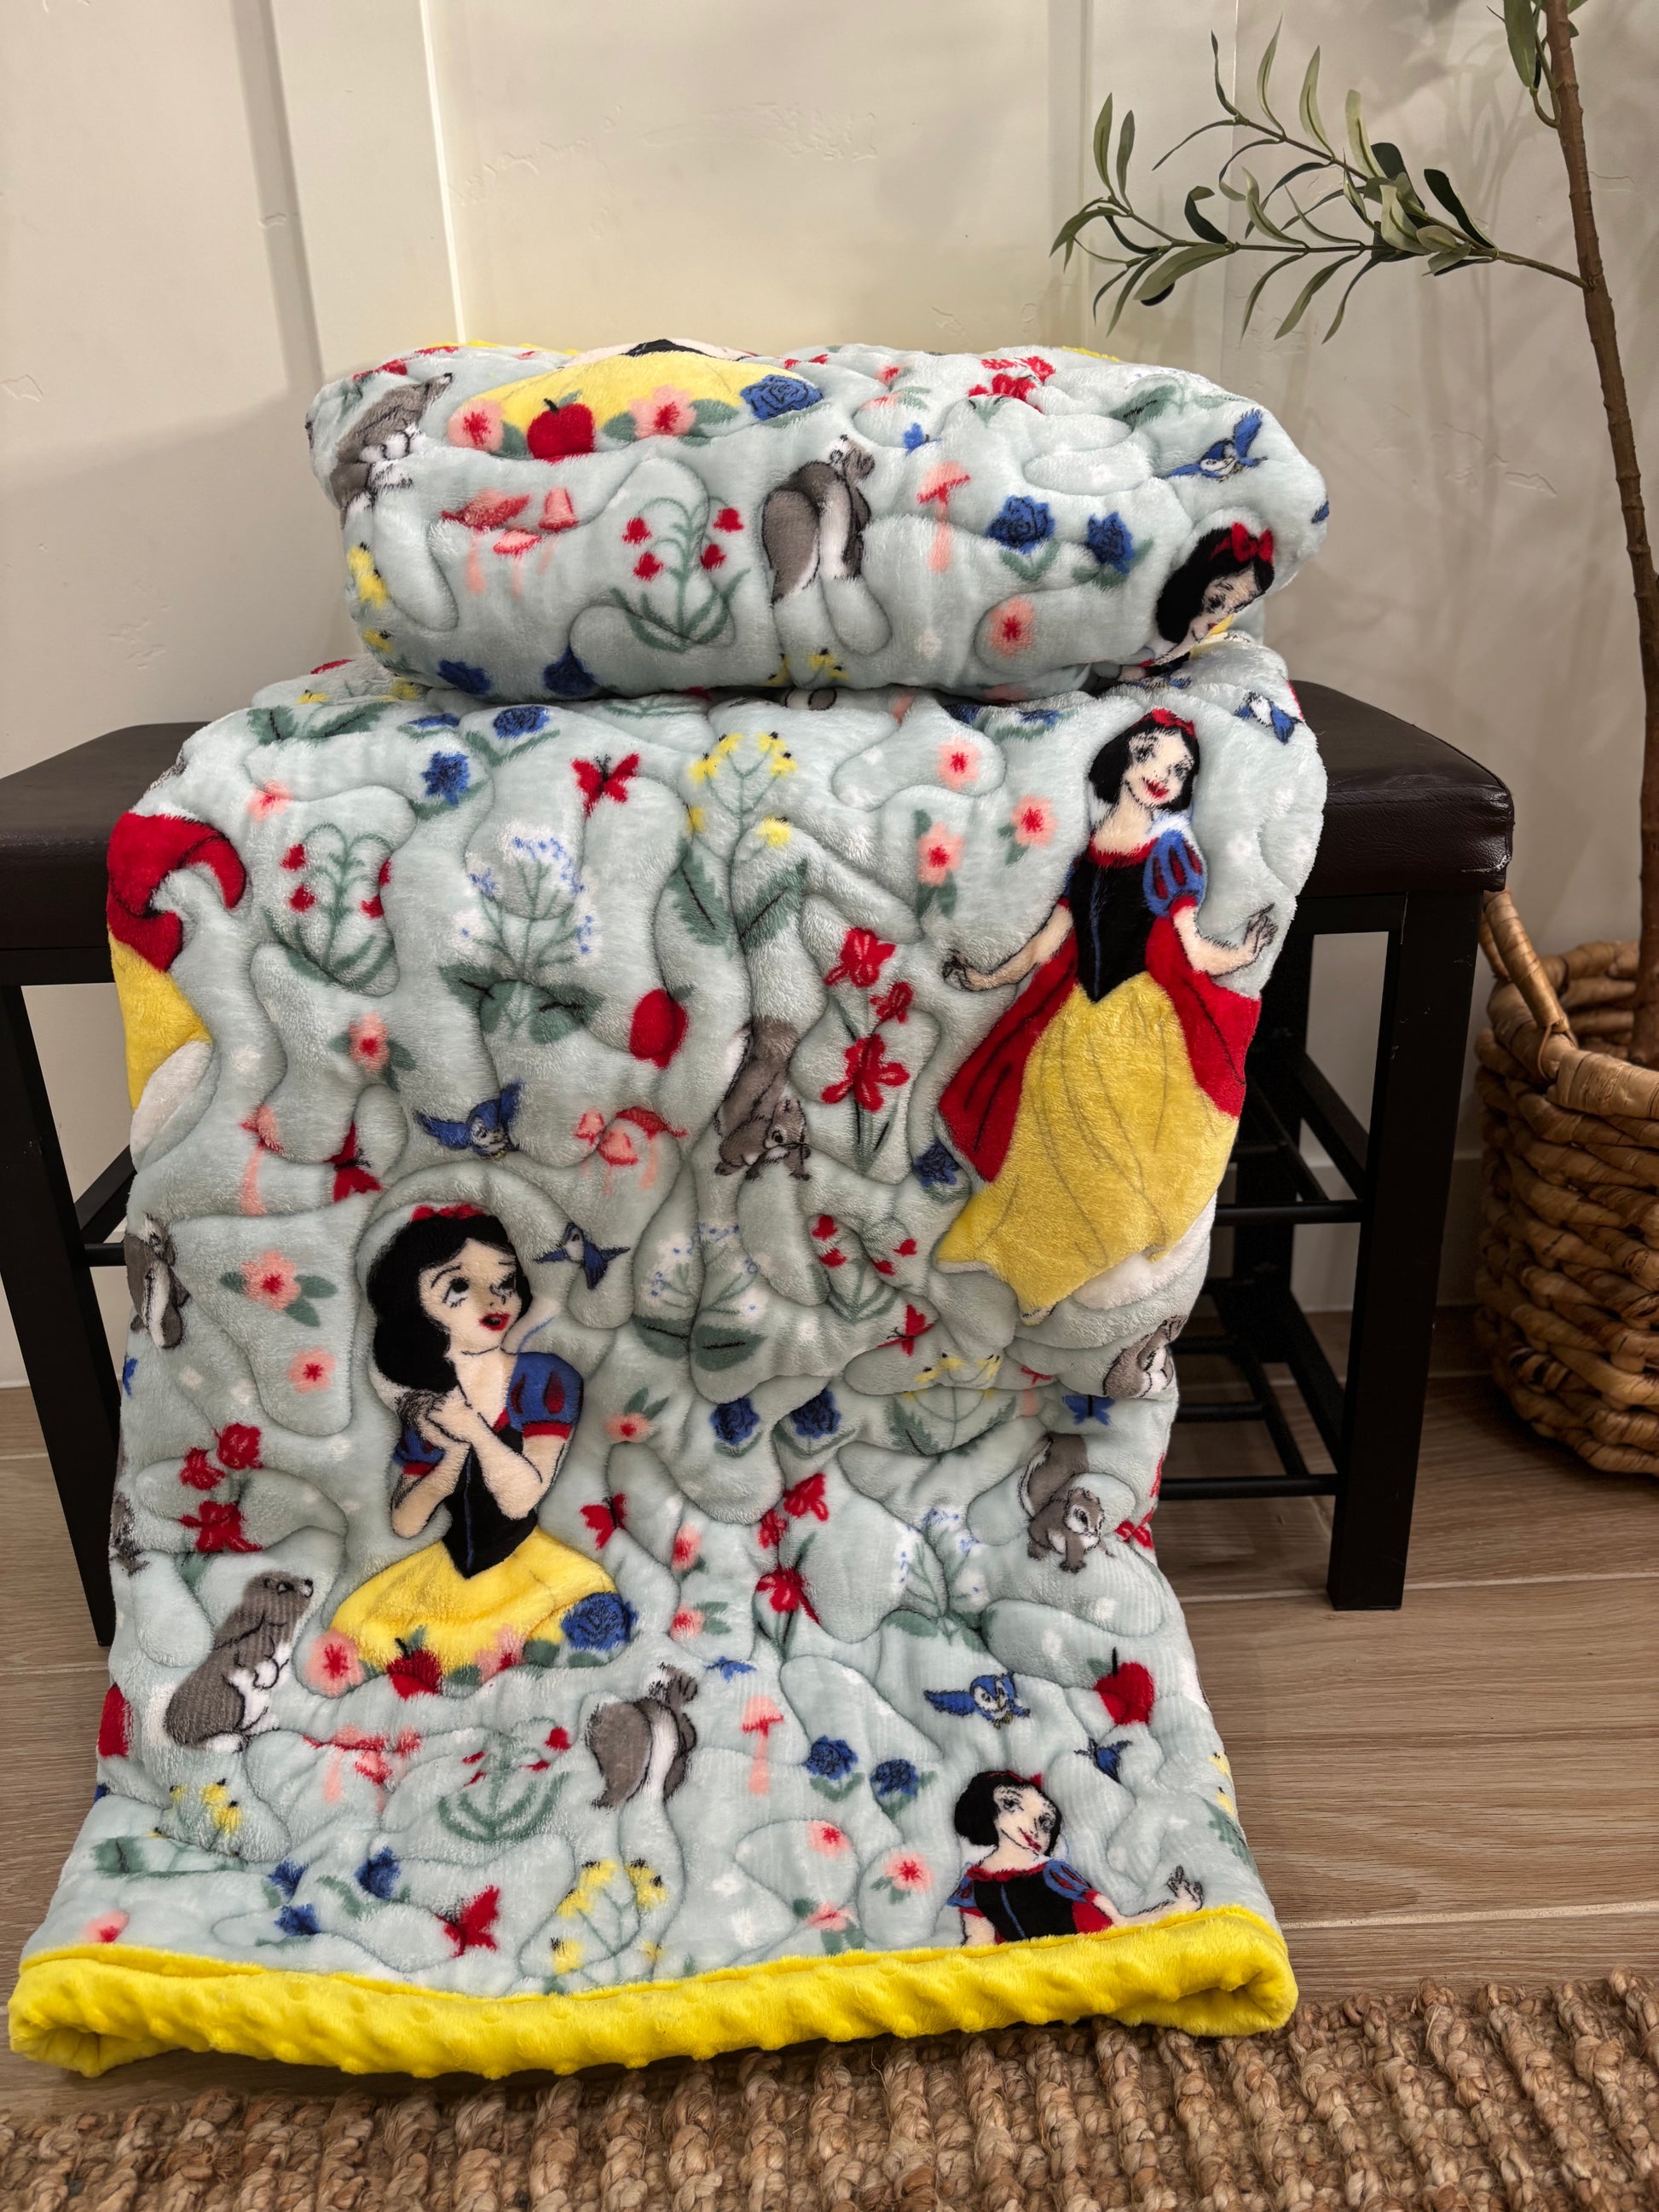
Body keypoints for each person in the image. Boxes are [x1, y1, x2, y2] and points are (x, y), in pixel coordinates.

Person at [934, 711, 1274, 1314]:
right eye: (1149, 755)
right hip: (1077, 1017)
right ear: (1122, 758)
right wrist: (987, 978)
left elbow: (1194, 952)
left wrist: (1244, 954)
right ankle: (1026, 1264)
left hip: (1138, 1022)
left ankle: (1077, 1265)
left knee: (1110, 1154)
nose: (1161, 775)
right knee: (1045, 1147)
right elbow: (1045, 947)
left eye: (1179, 770)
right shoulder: (1088, 859)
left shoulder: (1172, 852)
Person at [329, 1205, 615, 1672]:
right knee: (360, 1629)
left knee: (579, 1615)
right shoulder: (428, 1407)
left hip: (526, 1563)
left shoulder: (543, 1380)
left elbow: (521, 1500)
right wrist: (450, 1455)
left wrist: (477, 1433)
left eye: (504, 1282)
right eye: (460, 1287)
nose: (493, 1300)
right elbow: (405, 1524)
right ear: (415, 1305)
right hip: (447, 1569)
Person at [950, 1770, 1201, 1945]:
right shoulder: (975, 1882)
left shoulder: (1050, 1870)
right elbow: (978, 1937)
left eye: (1045, 1822)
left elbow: (1093, 1900)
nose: (1033, 1827)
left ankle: (1179, 1908)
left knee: (1121, 1932)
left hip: (1081, 1933)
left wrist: (1118, 1919)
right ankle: (1178, 1908)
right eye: (1012, 1804)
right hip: (1023, 1963)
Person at [1146, 522, 1274, 666]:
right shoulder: (1159, 580)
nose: (1226, 608)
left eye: (1241, 604)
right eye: (1225, 588)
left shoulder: (1243, 605)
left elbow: (1251, 636)